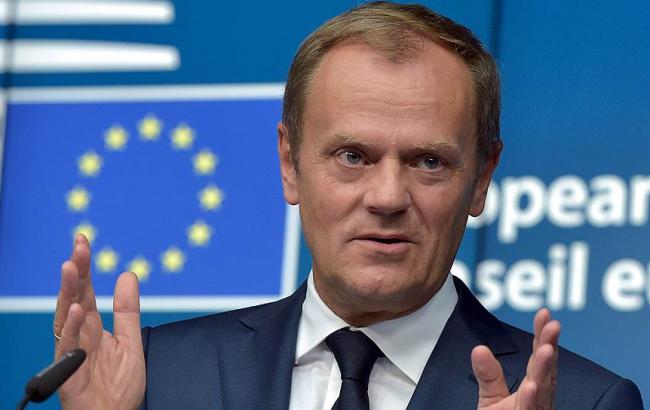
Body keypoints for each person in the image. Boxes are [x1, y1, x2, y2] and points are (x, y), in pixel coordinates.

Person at [53, 2, 643, 409]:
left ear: (482, 178)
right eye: (353, 156)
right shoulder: (160, 376)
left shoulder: (585, 402)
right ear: (290, 164)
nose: (387, 198)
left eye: (428, 162)